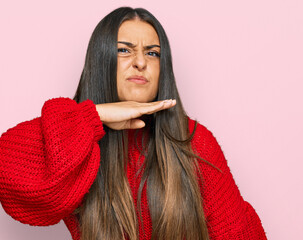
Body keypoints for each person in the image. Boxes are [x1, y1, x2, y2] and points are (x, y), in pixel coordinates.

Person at [0, 6, 267, 240]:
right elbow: (7, 171)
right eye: (124, 50)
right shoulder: (78, 144)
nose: (140, 62)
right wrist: (95, 116)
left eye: (152, 53)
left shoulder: (193, 140)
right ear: (102, 61)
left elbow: (237, 233)